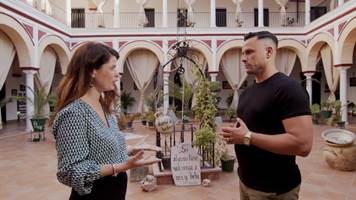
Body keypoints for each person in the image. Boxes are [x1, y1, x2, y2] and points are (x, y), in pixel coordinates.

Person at [49, 42, 160, 200]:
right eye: (112, 67)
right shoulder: (74, 114)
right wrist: (122, 166)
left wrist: (130, 149)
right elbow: (70, 172)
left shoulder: (103, 108)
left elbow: (99, 152)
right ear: (93, 71)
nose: (117, 74)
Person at [220, 31, 313, 200]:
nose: (243, 58)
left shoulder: (288, 89)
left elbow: (303, 145)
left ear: (269, 52)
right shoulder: (247, 93)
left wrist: (247, 137)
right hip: (246, 183)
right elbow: (253, 128)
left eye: (249, 52)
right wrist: (235, 136)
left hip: (273, 190)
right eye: (243, 53)